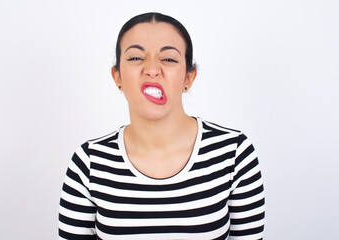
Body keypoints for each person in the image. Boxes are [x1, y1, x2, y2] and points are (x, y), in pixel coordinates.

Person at [58, 12, 265, 240]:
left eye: (169, 59)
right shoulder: (88, 164)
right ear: (117, 76)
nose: (152, 69)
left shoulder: (234, 154)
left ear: (188, 77)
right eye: (136, 58)